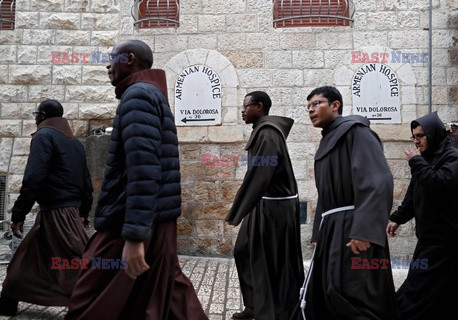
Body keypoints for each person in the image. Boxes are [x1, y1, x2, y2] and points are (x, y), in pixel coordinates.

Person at [65, 40, 207, 320]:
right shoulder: (150, 94)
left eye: (112, 58)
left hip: (128, 223)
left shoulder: (138, 96)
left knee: (90, 299)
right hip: (152, 220)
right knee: (165, 295)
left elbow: (143, 167)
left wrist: (134, 235)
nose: (107, 65)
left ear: (129, 59)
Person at [296, 86, 399, 320]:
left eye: (317, 104)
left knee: (354, 296)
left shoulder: (357, 132)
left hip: (356, 229)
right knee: (328, 290)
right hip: (332, 229)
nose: (311, 110)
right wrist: (317, 234)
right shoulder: (328, 139)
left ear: (335, 105)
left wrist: (364, 232)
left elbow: (378, 181)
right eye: (308, 106)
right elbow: (325, 193)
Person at [0, 99, 93, 316]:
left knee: (76, 262)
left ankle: (91, 302)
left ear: (41, 115)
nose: (34, 119)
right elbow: (86, 182)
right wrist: (84, 212)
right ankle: (8, 301)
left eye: (35, 115)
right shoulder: (75, 143)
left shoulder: (44, 136)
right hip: (64, 211)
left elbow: (33, 178)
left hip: (57, 213)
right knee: (26, 257)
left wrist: (19, 214)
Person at [387, 111, 458, 320]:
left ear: (434, 134)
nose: (416, 141)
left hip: (448, 243)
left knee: (418, 295)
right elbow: (414, 197)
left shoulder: (454, 158)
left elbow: (439, 184)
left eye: (421, 135)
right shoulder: (425, 160)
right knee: (449, 296)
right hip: (431, 240)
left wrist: (416, 162)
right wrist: (397, 218)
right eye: (414, 137)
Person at [225, 91, 304, 320]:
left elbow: (260, 175)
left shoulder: (268, 134)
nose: (242, 111)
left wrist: (237, 212)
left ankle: (269, 312)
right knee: (243, 250)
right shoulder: (263, 132)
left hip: (275, 209)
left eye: (245, 106)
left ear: (259, 107)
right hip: (262, 204)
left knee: (269, 262)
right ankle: (253, 306)